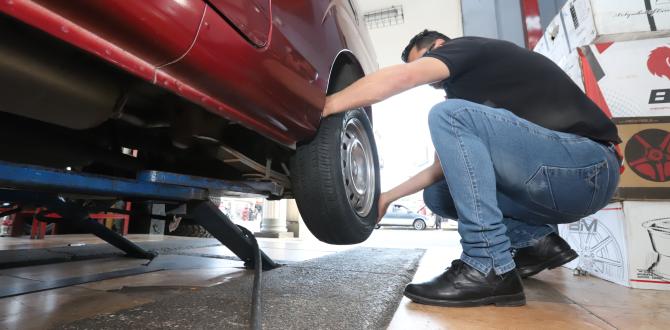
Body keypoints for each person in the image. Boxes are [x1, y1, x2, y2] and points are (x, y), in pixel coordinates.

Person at [322, 30, 621, 307]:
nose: (428, 80)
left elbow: (403, 78)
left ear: (438, 47)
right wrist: (387, 196)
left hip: (586, 166)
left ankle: (487, 263)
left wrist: (325, 105)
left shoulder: (465, 48)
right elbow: (441, 170)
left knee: (448, 115)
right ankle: (534, 241)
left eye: (425, 61)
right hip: (561, 180)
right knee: (437, 195)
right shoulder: (468, 93)